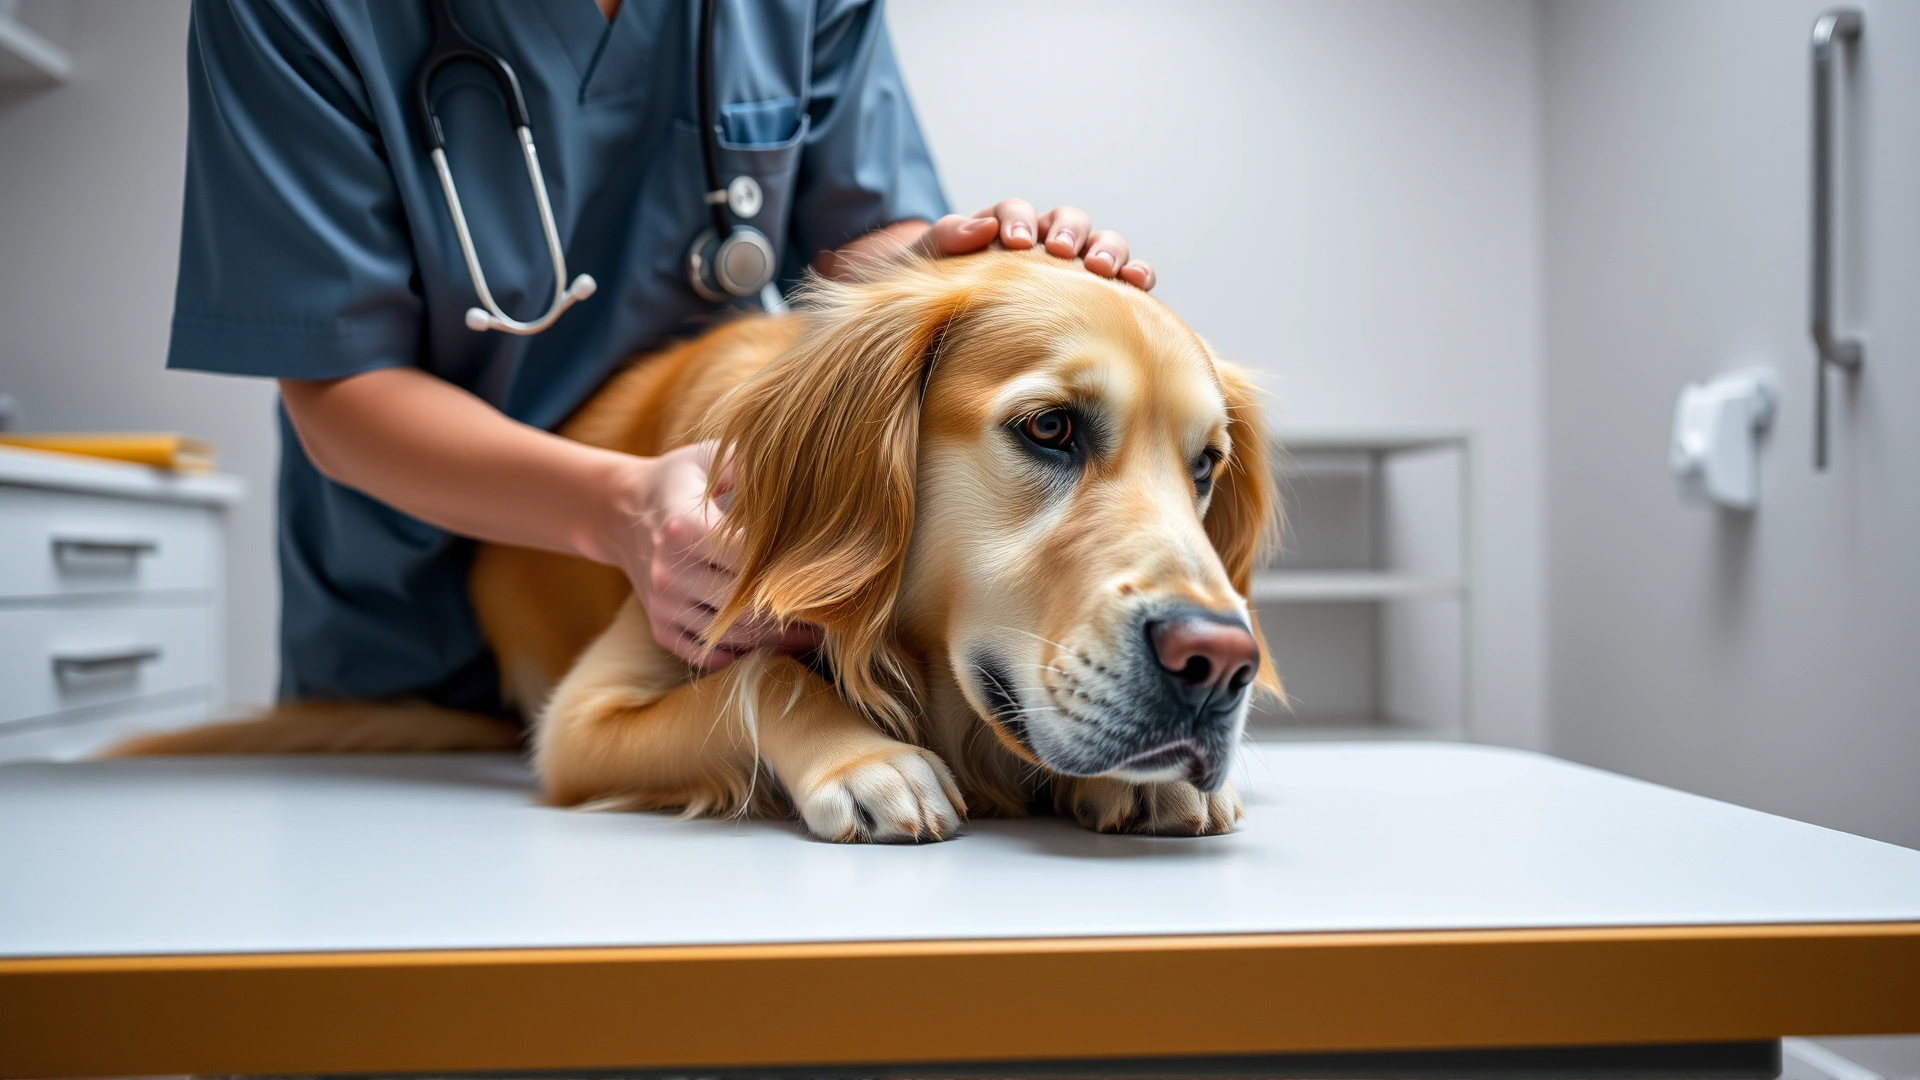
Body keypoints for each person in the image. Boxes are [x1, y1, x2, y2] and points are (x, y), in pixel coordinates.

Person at [168, 0, 1156, 719]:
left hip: (712, 637)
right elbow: (341, 388)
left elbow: (858, 245)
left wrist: (963, 265)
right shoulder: (294, 13)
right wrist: (626, 508)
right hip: (416, 636)